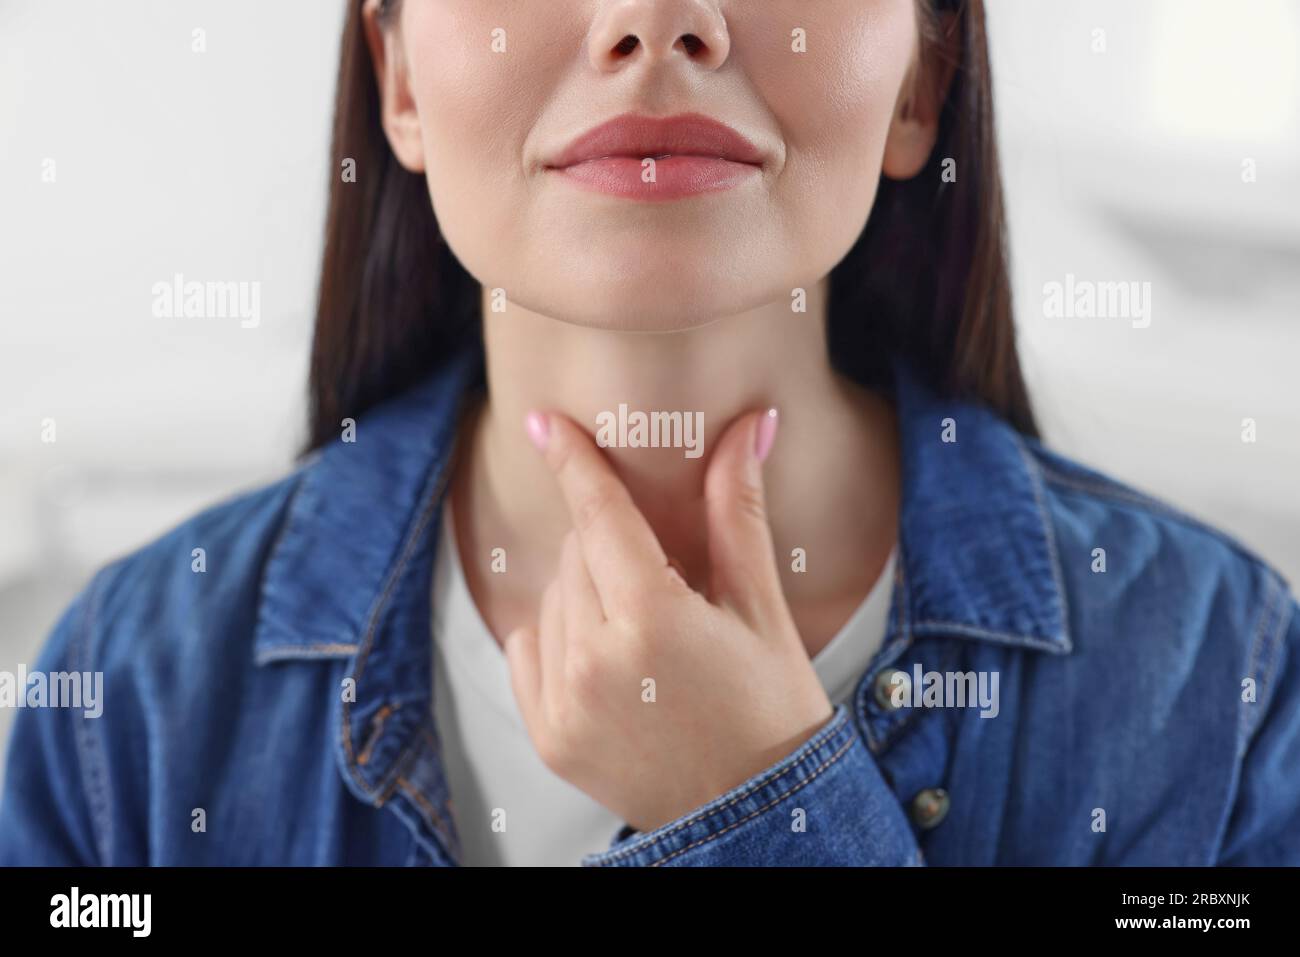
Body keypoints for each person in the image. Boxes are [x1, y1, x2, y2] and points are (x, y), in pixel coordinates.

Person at [1, 0, 1296, 866]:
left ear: (923, 79)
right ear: (397, 75)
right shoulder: (124, 713)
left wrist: (767, 803)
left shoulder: (1219, 692)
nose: (655, 20)